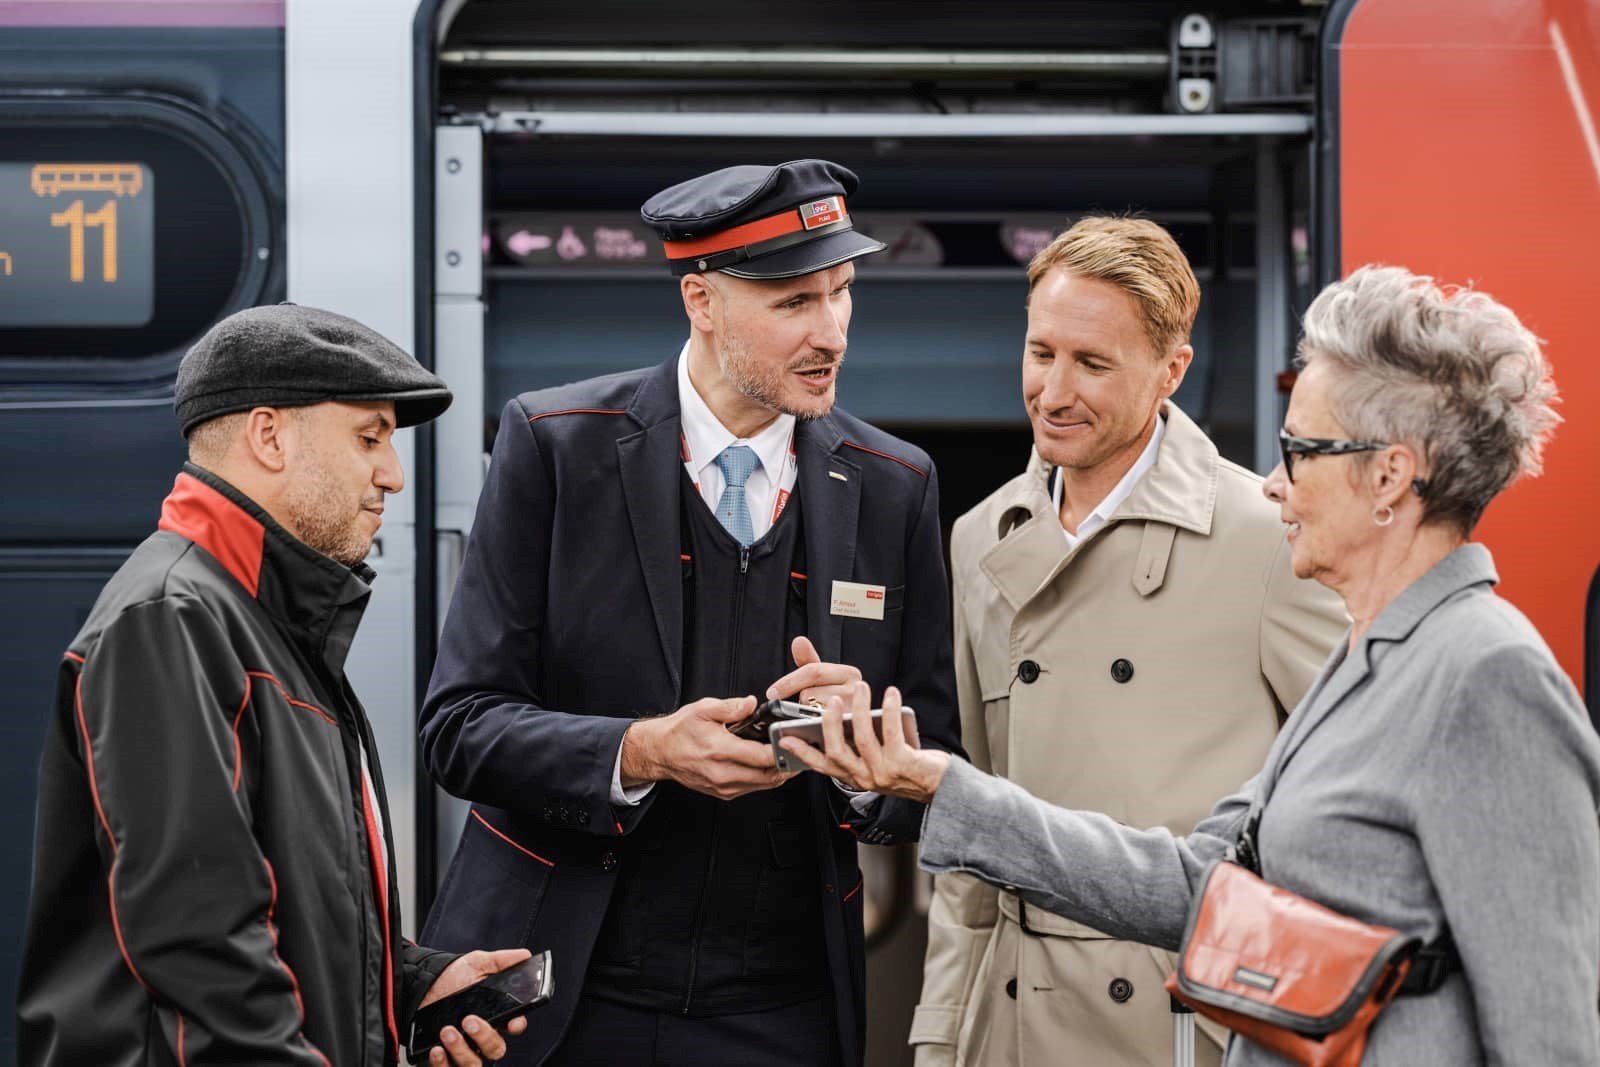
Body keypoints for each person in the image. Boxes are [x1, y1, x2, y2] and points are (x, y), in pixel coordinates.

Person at [789, 265, 1600, 1063]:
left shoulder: (1489, 674)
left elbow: (1548, 1026)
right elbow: (1192, 881)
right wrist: (935, 784)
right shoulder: (1371, 659)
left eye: (1303, 450)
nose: (1276, 485)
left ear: (1389, 474)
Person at [417, 159, 960, 1067]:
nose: (833, 332)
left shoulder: (896, 485)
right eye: (795, 303)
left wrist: (868, 759)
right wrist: (640, 751)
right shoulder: (554, 447)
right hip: (558, 996)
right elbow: (458, 727)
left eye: (844, 292)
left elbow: (932, 763)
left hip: (785, 1011)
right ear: (700, 299)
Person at [18, 305, 534, 1066]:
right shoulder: (174, 618)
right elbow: (202, 945)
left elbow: (286, 908)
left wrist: (411, 979)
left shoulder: (267, 622)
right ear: (268, 435)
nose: (392, 473)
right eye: (369, 437)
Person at [910, 215, 1346, 1067]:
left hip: (1182, 1025)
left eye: (1093, 363)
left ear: (1170, 371)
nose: (1054, 390)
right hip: (1009, 1024)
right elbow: (966, 832)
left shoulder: (1265, 538)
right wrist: (940, 1034)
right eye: (1042, 354)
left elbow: (1342, 795)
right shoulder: (979, 536)